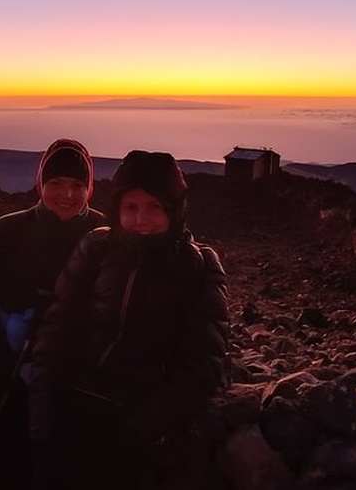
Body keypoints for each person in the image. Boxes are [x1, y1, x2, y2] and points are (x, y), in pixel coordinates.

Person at [28, 150, 229, 490]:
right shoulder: (97, 247)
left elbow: (203, 365)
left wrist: (134, 433)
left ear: (175, 209)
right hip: (74, 400)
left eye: (155, 207)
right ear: (117, 209)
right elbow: (57, 329)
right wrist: (43, 414)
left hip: (137, 417)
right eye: (130, 208)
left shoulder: (199, 267)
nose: (141, 220)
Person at [0, 138, 106, 489]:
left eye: (77, 186)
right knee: (2, 446)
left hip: (74, 363)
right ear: (40, 184)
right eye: (56, 184)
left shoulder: (103, 235)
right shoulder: (8, 230)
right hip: (10, 357)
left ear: (89, 188)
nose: (66, 195)